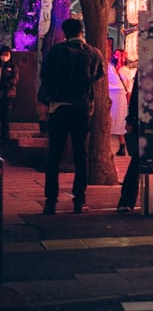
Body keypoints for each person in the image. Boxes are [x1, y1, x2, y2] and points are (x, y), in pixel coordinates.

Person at [39, 17, 104, 214]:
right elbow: (99, 75)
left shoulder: (56, 51)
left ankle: (51, 201)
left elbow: (46, 76)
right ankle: (79, 200)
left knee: (54, 154)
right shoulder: (94, 53)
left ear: (65, 33)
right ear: (81, 31)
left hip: (59, 107)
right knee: (80, 154)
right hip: (82, 107)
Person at [117, 74, 140, 212]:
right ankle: (126, 200)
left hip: (151, 118)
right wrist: (130, 118)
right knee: (137, 161)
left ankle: (126, 201)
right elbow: (136, 95)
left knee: (137, 161)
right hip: (145, 120)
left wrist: (130, 119)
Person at [108, 50, 131, 156]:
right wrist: (129, 102)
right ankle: (122, 146)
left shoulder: (108, 67)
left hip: (109, 96)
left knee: (109, 120)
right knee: (120, 121)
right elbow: (128, 89)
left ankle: (108, 147)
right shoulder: (126, 71)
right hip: (121, 96)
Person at [0, 45, 19, 141]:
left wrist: (5, 83)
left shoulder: (13, 66)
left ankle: (5, 136)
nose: (4, 57)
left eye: (6, 55)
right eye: (2, 55)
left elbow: (14, 80)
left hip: (7, 94)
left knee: (5, 116)